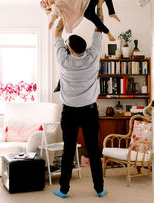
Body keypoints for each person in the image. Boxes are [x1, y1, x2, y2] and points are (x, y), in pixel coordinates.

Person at [52, 17, 107, 198]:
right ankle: (99, 189)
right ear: (84, 48)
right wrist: (98, 10)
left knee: (69, 150)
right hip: (90, 111)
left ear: (69, 49)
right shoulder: (93, 58)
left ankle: (63, 190)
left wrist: (60, 17)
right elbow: (98, 30)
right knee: (93, 149)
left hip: (70, 112)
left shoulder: (64, 61)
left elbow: (57, 33)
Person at [41, 0, 120, 41]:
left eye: (44, 2)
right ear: (49, 8)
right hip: (85, 11)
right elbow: (54, 14)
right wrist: (51, 22)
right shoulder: (55, 7)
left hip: (87, 0)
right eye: (45, 6)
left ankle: (111, 13)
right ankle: (109, 34)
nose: (45, 4)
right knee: (98, 23)